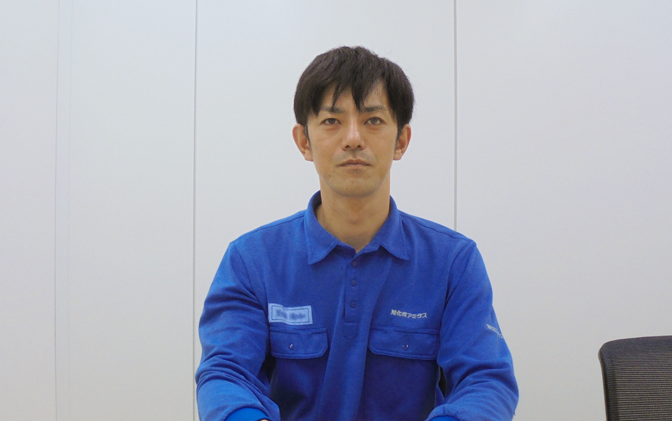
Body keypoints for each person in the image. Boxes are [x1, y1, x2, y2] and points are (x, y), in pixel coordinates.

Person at [196, 46, 518, 421]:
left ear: (401, 141)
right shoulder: (252, 260)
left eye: (373, 121)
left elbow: (486, 380)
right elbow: (225, 375)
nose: (353, 138)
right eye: (332, 121)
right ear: (304, 141)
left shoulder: (453, 262)